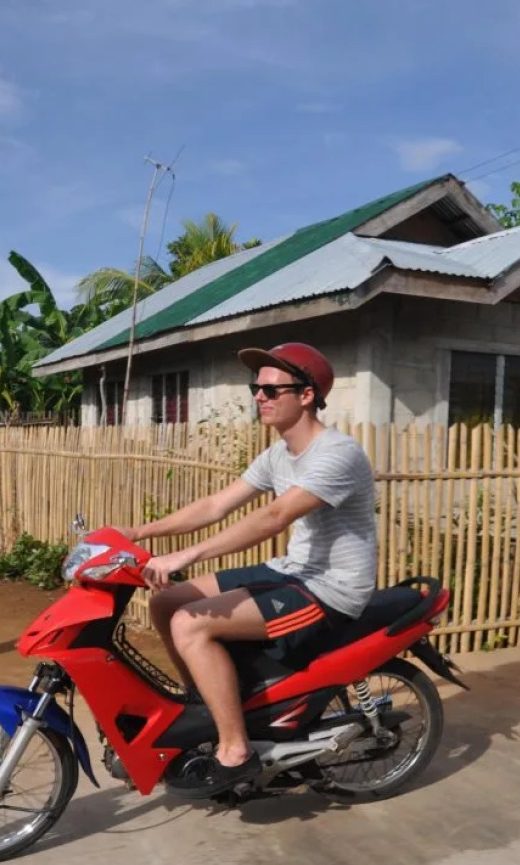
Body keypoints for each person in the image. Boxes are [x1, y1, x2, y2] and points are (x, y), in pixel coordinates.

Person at [116, 342, 377, 798]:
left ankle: (236, 750)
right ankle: (207, 702)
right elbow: (217, 504)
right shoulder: (278, 455)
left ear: (308, 395)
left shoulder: (338, 454)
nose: (259, 396)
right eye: (256, 388)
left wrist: (185, 556)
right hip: (293, 570)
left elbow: (274, 517)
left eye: (272, 389)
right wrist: (139, 531)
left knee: (190, 626)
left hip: (329, 590)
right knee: (168, 601)